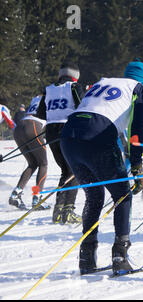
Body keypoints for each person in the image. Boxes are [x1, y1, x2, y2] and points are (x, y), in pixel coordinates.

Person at [60, 59, 143, 275]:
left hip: (69, 136)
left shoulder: (104, 82)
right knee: (123, 196)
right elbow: (137, 132)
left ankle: (86, 259)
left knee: (94, 196)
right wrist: (137, 165)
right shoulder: (140, 90)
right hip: (97, 135)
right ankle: (120, 257)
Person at [35, 61, 84, 224]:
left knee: (66, 170)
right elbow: (82, 107)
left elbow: (41, 113)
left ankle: (59, 211)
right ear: (75, 76)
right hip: (68, 130)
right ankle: (67, 211)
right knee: (74, 171)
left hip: (50, 131)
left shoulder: (48, 89)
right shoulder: (73, 87)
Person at [9, 95, 50, 211]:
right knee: (43, 164)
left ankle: (16, 193)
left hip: (19, 127)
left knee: (33, 164)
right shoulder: (52, 94)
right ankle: (37, 197)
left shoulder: (36, 97)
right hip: (33, 126)